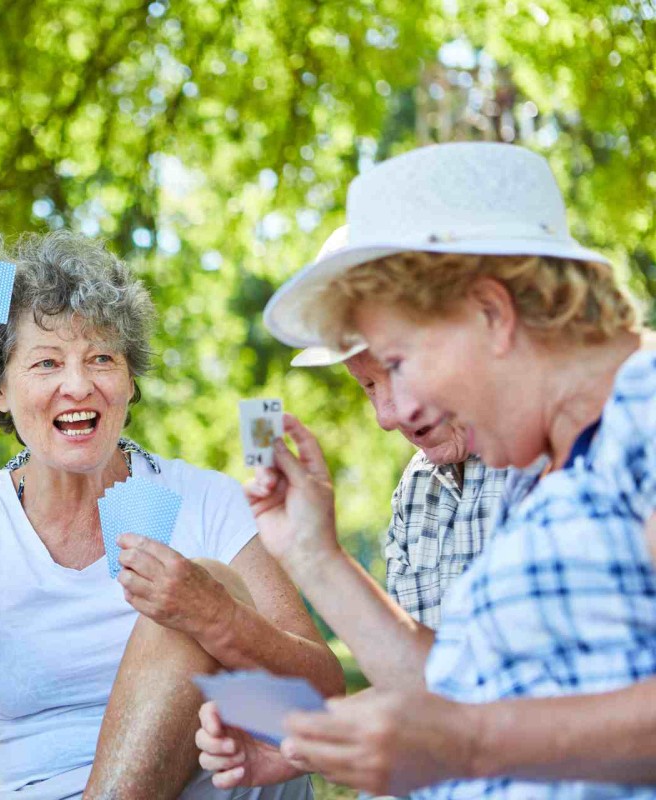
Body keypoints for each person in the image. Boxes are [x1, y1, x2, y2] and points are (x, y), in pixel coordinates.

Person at [0, 230, 345, 799]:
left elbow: (326, 697)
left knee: (202, 588)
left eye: (101, 358)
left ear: (129, 378)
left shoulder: (207, 500)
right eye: (46, 363)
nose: (78, 385)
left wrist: (219, 617)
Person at [199, 142, 656, 798]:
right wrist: (312, 556)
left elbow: (470, 730)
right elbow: (457, 692)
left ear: (492, 314)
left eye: (401, 361)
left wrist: (471, 744)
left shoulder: (645, 406)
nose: (394, 412)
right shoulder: (537, 471)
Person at [292, 227, 507, 627]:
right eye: (369, 386)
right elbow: (420, 674)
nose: (387, 417)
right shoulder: (416, 489)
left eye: (399, 369)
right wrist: (313, 550)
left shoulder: (560, 449)